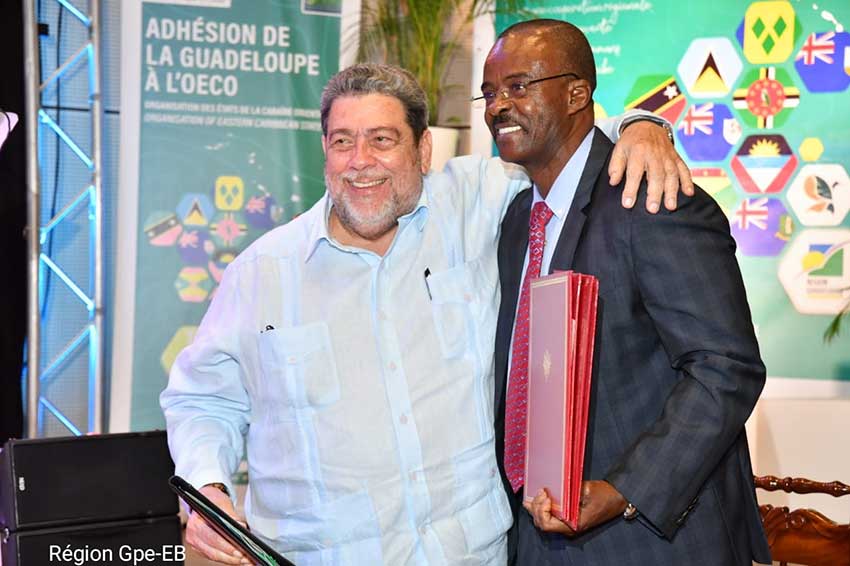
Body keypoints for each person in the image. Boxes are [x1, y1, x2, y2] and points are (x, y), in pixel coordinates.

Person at [161, 62, 691, 565]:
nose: (360, 160)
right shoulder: (262, 272)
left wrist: (641, 126)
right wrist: (207, 490)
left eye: (382, 139)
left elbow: (563, 147)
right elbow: (203, 400)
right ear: (324, 150)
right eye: (342, 141)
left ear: (423, 148)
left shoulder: (475, 204)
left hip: (471, 555)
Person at [488, 19, 771, 566]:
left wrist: (624, 491)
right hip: (538, 539)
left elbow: (726, 366)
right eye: (490, 91)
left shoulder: (652, 196)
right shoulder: (517, 219)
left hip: (651, 540)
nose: (499, 104)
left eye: (519, 86)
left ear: (576, 94)